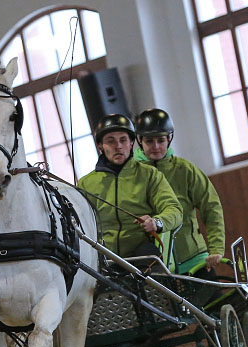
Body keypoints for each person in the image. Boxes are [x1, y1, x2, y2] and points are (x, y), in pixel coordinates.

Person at [135, 108, 225, 276]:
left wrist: (216, 248)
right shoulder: (132, 174)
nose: (156, 147)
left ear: (169, 139)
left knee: (217, 301)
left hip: (195, 258)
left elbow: (211, 207)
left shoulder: (186, 170)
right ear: (140, 140)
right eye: (149, 141)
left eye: (161, 140)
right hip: (155, 266)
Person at [77, 114, 182, 259]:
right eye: (110, 141)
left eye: (123, 140)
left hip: (143, 254)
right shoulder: (85, 183)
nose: (118, 146)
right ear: (101, 145)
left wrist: (157, 222)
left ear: (132, 143)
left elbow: (175, 210)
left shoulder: (150, 175)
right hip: (103, 257)